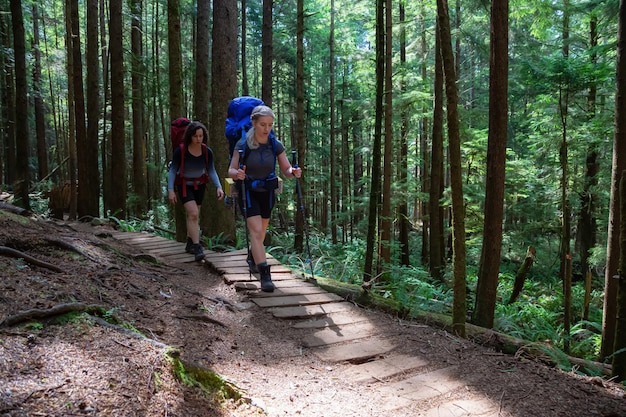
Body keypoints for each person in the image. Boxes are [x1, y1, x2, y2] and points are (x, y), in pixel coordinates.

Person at [228, 105, 302, 292]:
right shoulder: (242, 144)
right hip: (249, 191)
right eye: (262, 124)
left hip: (267, 191)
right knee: (255, 231)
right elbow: (231, 169)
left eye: (269, 125)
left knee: (260, 234)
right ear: (254, 123)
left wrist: (293, 172)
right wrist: (238, 174)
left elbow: (286, 171)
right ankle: (265, 274)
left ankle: (253, 257)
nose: (266, 129)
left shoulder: (275, 144)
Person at [168, 121, 224, 261]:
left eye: (201, 136)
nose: (198, 139)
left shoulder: (206, 151)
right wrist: (170, 190)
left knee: (194, 215)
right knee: (193, 214)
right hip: (185, 186)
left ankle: (189, 243)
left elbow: (211, 170)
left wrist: (219, 186)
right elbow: (173, 171)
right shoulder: (181, 150)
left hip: (200, 186)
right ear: (189, 137)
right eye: (195, 136)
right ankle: (197, 247)